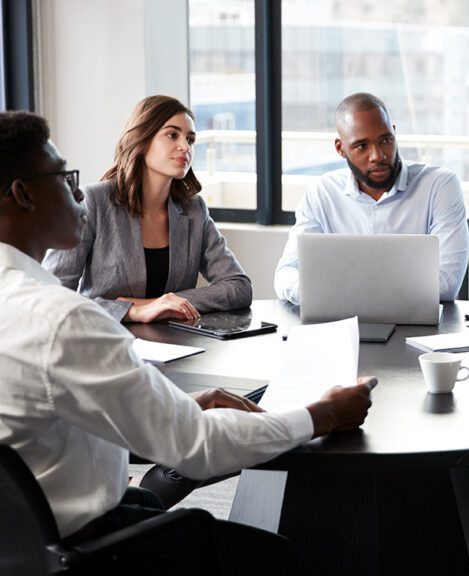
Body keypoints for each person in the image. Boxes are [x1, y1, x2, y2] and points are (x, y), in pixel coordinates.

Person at [0, 110, 374, 573]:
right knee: (281, 557)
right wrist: (322, 414)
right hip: (83, 548)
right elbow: (196, 448)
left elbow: (50, 412)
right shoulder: (62, 319)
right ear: (21, 194)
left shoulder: (20, 303)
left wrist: (184, 404)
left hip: (22, 541)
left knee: (156, 505)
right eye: (64, 176)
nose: (78, 191)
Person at [43, 95, 252, 324]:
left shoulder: (194, 209)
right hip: (106, 342)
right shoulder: (94, 201)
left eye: (190, 139)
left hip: (178, 347)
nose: (185, 147)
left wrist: (162, 303)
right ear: (142, 139)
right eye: (172, 135)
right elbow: (53, 296)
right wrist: (132, 310)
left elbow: (239, 287)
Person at [274, 92, 469, 304]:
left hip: (417, 329)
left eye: (385, 140)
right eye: (361, 146)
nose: (378, 155)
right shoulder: (322, 193)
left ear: (394, 133)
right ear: (341, 148)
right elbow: (286, 274)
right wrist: (317, 292)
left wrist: (336, 292)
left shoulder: (439, 185)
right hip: (341, 325)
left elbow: (447, 283)